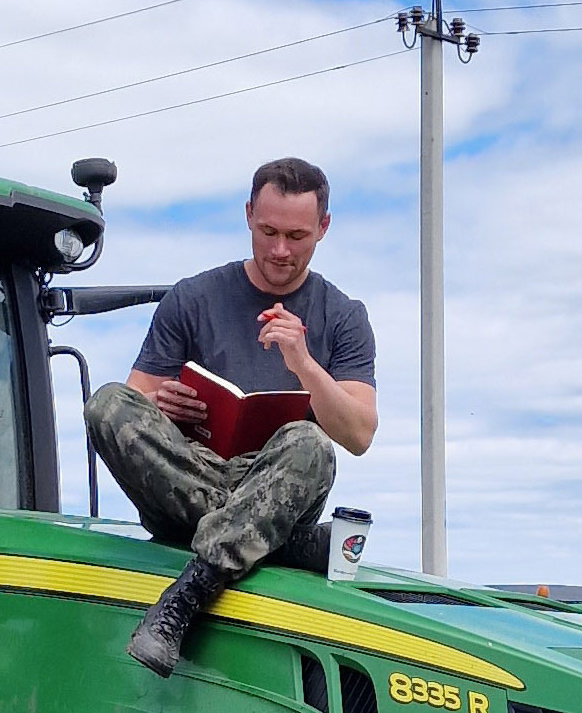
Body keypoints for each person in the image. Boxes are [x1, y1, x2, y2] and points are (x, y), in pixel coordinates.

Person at [86, 156, 378, 676]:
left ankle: (186, 598)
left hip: (273, 485)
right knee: (106, 403)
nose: (280, 250)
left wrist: (303, 363)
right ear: (247, 215)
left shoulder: (344, 316)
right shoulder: (192, 297)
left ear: (324, 229)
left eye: (296, 235)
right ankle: (274, 540)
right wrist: (161, 406)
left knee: (311, 444)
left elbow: (358, 434)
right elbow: (129, 409)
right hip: (190, 479)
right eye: (267, 231)